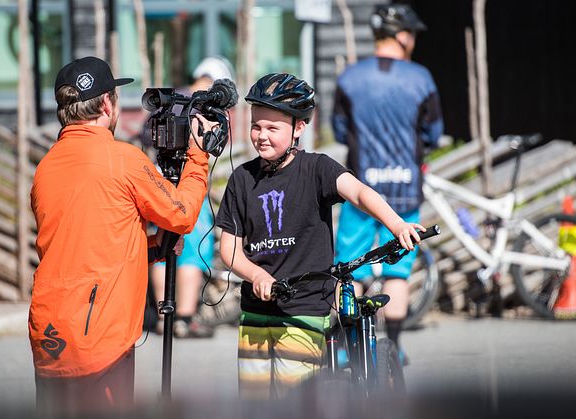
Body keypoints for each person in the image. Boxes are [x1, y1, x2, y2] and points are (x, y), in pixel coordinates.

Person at [216, 72, 425, 399]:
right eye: (256, 125)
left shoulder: (318, 169)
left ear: (299, 127)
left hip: (305, 306)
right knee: (254, 403)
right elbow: (229, 250)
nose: (261, 136)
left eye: (273, 128)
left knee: (293, 398)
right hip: (255, 310)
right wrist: (256, 273)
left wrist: (396, 224)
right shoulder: (242, 179)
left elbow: (358, 193)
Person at [28, 56, 213, 414]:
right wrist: (198, 157)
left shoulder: (46, 167)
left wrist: (153, 249)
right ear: (108, 103)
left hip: (49, 331)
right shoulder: (122, 159)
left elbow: (85, 244)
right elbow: (183, 214)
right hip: (98, 336)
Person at [332, 1, 443, 363]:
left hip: (362, 188)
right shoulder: (421, 77)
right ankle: (393, 347)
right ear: (403, 35)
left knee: (351, 265)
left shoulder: (349, 78)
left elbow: (338, 128)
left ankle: (349, 349)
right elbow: (434, 131)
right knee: (398, 267)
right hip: (406, 185)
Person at [148, 56, 235, 338]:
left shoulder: (170, 101)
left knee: (162, 248)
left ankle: (164, 318)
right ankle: (184, 317)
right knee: (192, 251)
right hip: (190, 185)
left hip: (157, 183)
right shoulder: (206, 108)